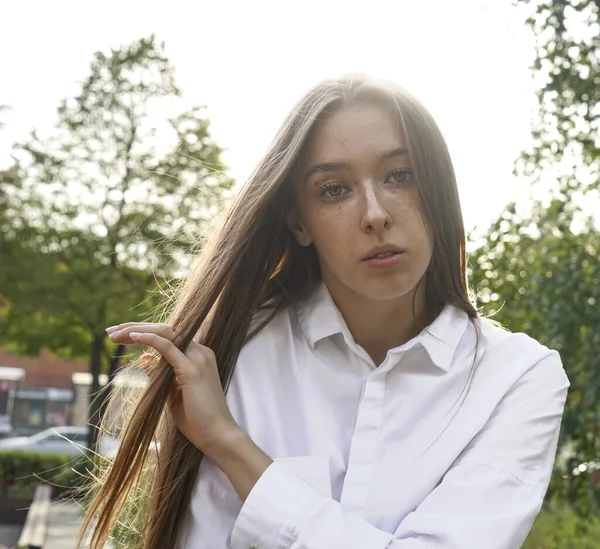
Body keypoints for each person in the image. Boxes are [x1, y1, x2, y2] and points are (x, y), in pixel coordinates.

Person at [81, 75, 569, 549]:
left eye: (401, 176)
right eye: (335, 189)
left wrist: (232, 446)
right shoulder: (231, 354)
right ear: (299, 222)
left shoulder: (519, 378)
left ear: (437, 192)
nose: (375, 213)